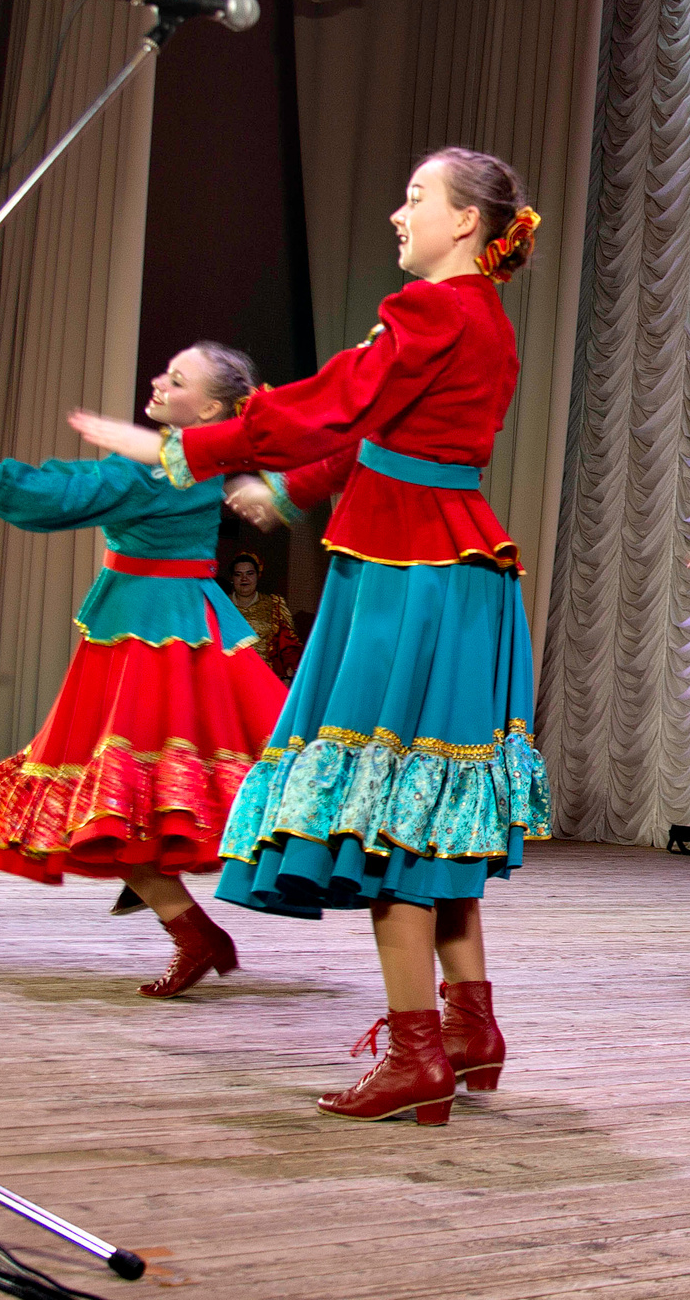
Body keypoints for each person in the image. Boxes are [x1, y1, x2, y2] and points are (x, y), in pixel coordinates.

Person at [71, 148, 553, 1128]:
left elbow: (336, 400)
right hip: (454, 569)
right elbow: (377, 435)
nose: (396, 213)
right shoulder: (484, 320)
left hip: (407, 578)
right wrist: (289, 482)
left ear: (466, 224)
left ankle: (418, 1050)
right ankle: (468, 1028)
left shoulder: (428, 311)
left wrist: (182, 448)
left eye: (416, 198)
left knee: (385, 812)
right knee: (430, 811)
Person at [0, 346, 288, 997]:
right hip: (174, 624)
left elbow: (61, 492)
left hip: (150, 636)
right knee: (137, 802)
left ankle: (196, 932)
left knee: (121, 806)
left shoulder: (157, 474)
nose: (158, 380)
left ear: (209, 408)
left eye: (176, 380)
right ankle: (195, 932)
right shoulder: (205, 463)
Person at [225, 552, 302, 680]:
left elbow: (289, 646)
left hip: (265, 678)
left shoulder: (274, 605)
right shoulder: (220, 605)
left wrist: (288, 675)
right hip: (228, 677)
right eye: (238, 575)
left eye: (250, 574)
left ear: (257, 576)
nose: (244, 579)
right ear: (232, 579)